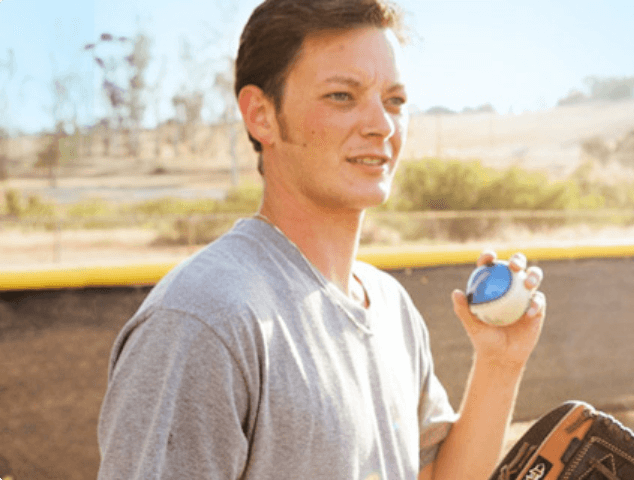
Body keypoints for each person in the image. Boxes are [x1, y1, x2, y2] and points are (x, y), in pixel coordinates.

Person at [96, 0, 546, 478]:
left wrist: (499, 364)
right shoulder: (204, 319)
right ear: (261, 115)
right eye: (341, 96)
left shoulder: (391, 308)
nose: (382, 125)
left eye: (394, 100)